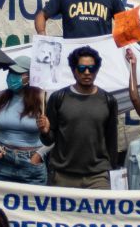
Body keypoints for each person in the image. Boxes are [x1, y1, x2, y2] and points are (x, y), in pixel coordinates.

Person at [44, 46, 117, 188]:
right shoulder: (58, 98)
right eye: (82, 68)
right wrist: (44, 131)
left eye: (92, 68)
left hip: (98, 177)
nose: (87, 72)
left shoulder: (109, 100)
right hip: (63, 176)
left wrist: (112, 171)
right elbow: (48, 141)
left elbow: (111, 141)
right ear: (73, 70)